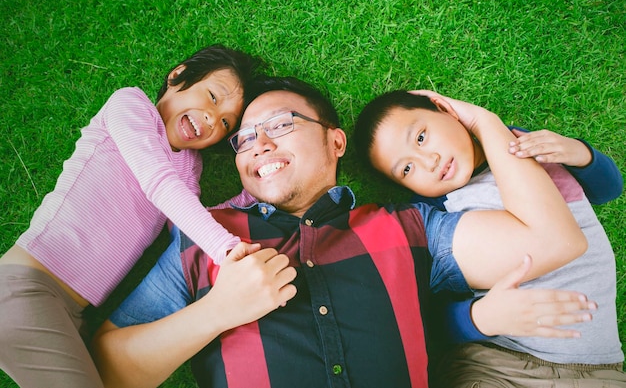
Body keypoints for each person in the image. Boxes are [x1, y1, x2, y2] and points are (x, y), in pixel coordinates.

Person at [91, 76, 594, 388]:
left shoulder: (409, 229)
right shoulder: (203, 236)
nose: (258, 144)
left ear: (335, 141)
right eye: (242, 140)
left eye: (282, 124)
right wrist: (216, 313)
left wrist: (486, 124)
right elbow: (104, 371)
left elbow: (552, 242)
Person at [0, 44, 264, 388]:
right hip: (26, 288)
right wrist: (226, 248)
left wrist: (253, 191)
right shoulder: (131, 106)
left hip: (73, 316)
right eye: (213, 97)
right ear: (178, 76)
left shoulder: (188, 167)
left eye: (226, 122)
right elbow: (157, 183)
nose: (213, 119)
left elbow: (186, 222)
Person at [353, 89, 625, 386]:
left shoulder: (519, 144)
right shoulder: (439, 213)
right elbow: (428, 315)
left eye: (420, 137)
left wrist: (581, 155)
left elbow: (607, 190)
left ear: (445, 109)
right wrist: (480, 316)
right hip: (505, 364)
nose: (428, 161)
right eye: (407, 169)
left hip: (603, 368)